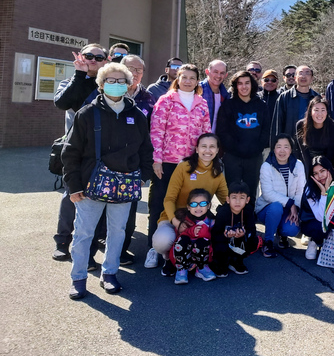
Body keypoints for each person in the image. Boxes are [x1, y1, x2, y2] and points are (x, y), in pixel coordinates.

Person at [62, 62, 153, 299]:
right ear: (101, 85)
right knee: (83, 233)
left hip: (124, 184)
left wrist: (142, 175)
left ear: (128, 84)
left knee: (117, 231)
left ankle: (110, 273)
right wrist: (73, 186)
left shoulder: (137, 116)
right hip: (90, 185)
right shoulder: (87, 113)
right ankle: (78, 277)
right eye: (110, 81)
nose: (116, 85)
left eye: (120, 81)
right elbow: (70, 152)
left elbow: (146, 149)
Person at [82, 53, 156, 265]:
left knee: (125, 220)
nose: (134, 72)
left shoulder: (148, 99)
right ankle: (89, 257)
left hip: (128, 171)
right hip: (99, 170)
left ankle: (119, 254)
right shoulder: (96, 101)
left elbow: (148, 138)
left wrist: (144, 172)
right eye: (130, 68)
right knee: (95, 220)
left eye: (138, 70)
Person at [146, 64, 211, 269]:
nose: (188, 81)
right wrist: (156, 159)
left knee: (187, 205)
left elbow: (206, 133)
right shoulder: (166, 100)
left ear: (197, 81)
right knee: (159, 204)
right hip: (167, 163)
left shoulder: (202, 104)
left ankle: (181, 247)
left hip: (191, 164)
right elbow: (156, 131)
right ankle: (152, 247)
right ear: (178, 78)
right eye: (185, 77)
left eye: (193, 78)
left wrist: (205, 159)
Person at [52, 43, 109, 262]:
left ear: (106, 60)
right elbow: (63, 103)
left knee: (101, 198)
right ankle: (63, 240)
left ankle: (95, 243)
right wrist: (80, 75)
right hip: (76, 152)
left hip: (103, 153)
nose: (93, 60)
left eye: (98, 57)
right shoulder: (71, 82)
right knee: (72, 197)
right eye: (88, 56)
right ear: (80, 58)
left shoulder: (109, 84)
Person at [151, 133, 228, 276]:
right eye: (203, 146)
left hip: (201, 219)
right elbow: (169, 199)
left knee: (219, 233)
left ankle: (200, 261)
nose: (207, 150)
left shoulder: (217, 171)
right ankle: (170, 258)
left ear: (217, 150)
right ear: (197, 149)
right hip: (177, 218)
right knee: (161, 242)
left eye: (212, 147)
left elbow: (225, 199)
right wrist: (176, 222)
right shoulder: (184, 167)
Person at [216, 70, 268, 203]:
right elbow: (222, 131)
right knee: (232, 190)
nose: (244, 87)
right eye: (240, 83)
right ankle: (232, 221)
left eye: (247, 83)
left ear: (252, 85)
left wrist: (257, 148)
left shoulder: (261, 105)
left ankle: (249, 221)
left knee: (251, 190)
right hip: (233, 156)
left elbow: (266, 130)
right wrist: (235, 148)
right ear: (235, 86)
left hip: (254, 156)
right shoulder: (228, 105)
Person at [255, 135, 305, 258]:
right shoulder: (266, 166)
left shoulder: (298, 165)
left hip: (288, 209)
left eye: (286, 147)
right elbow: (268, 194)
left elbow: (301, 191)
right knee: (276, 207)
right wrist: (290, 203)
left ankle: (282, 233)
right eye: (279, 147)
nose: (282, 151)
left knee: (292, 230)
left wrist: (296, 207)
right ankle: (268, 242)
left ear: (291, 150)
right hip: (267, 208)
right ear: (274, 149)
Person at [300, 156, 334, 260]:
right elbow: (319, 217)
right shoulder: (309, 188)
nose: (320, 176)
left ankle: (328, 243)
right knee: (319, 227)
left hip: (329, 217)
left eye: (322, 171)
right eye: (315, 173)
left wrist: (330, 191)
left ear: (329, 169)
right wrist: (324, 193)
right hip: (311, 220)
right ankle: (314, 241)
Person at [211, 181, 262, 277]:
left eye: (242, 198)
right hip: (224, 241)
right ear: (228, 199)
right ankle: (220, 262)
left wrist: (245, 233)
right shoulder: (222, 212)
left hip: (239, 241)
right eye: (234, 197)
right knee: (219, 248)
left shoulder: (248, 210)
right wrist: (225, 235)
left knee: (253, 241)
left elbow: (252, 230)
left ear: (247, 200)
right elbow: (214, 234)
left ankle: (236, 261)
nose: (237, 202)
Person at [169, 189, 217, 285]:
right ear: (188, 207)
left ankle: (202, 268)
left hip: (202, 254)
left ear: (209, 206)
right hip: (186, 254)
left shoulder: (211, 221)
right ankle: (181, 269)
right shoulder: (185, 220)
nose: (198, 207)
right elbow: (178, 235)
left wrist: (204, 232)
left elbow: (215, 237)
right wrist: (191, 231)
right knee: (182, 240)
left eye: (203, 204)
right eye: (194, 204)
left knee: (203, 241)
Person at [271, 65, 319, 147]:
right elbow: (277, 125)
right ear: (295, 77)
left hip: (311, 144)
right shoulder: (284, 97)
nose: (303, 76)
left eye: (307, 73)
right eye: (300, 73)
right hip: (290, 145)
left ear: (312, 78)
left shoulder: (317, 98)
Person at [296, 96, 334, 170]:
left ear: (327, 112)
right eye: (316, 110)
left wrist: (322, 171)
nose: (320, 114)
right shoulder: (301, 125)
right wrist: (310, 171)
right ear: (310, 112)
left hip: (326, 166)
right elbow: (304, 153)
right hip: (306, 165)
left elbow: (332, 154)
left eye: (323, 110)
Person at [200, 59, 229, 133]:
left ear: (226, 75)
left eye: (222, 73)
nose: (218, 76)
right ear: (207, 72)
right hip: (197, 139)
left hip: (215, 141)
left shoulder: (226, 95)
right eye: (215, 72)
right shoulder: (197, 90)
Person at [259, 69, 281, 153]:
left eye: (273, 80)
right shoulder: (255, 98)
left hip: (275, 145)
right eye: (266, 80)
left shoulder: (281, 98)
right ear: (261, 81)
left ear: (277, 82)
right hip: (257, 145)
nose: (270, 82)